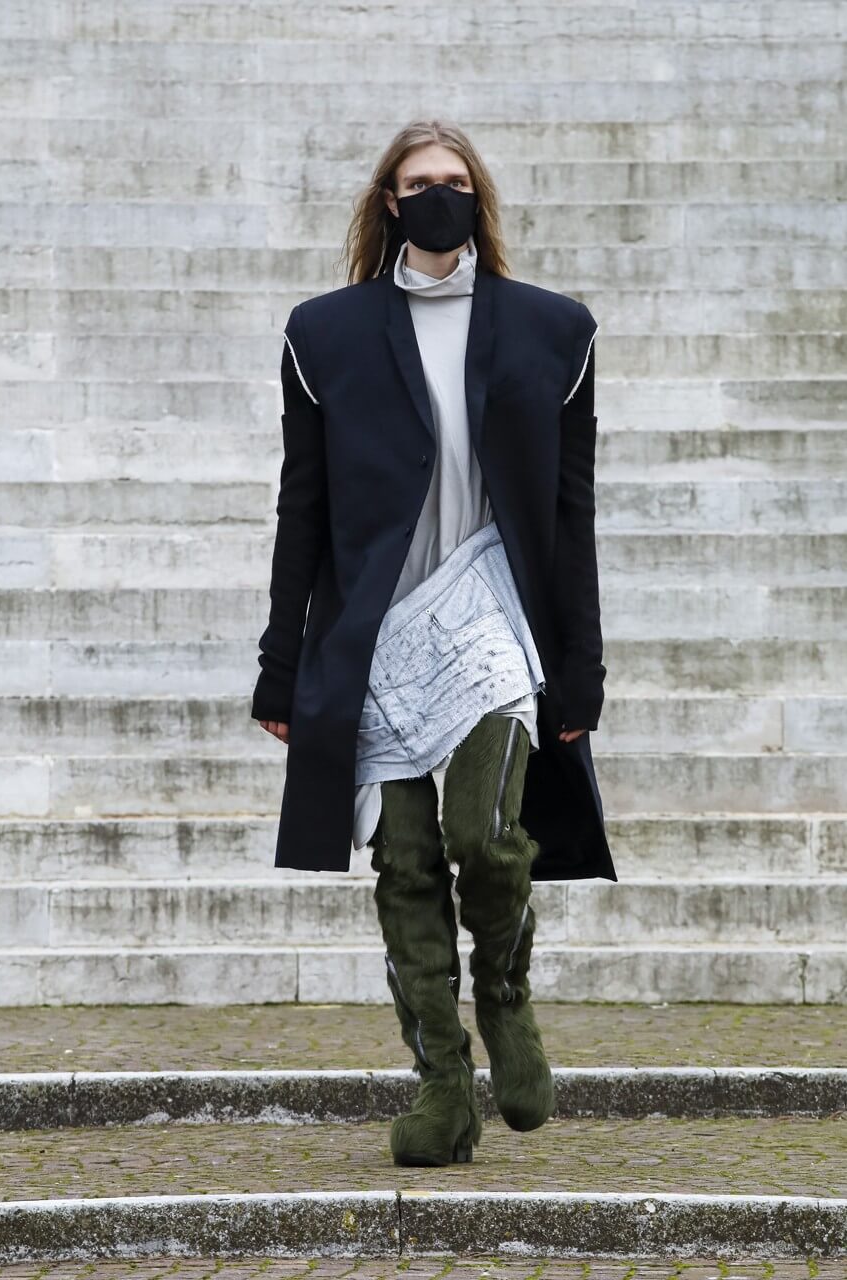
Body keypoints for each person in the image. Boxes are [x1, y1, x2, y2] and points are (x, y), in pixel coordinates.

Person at [253, 119, 615, 1167]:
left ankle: (504, 994)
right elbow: (302, 506)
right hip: (378, 623)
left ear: (477, 197)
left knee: (484, 834)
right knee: (404, 860)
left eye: (454, 180)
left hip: (492, 607)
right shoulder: (325, 334)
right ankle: (443, 1083)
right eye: (419, 182)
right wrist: (283, 662)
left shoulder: (554, 330)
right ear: (389, 202)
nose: (438, 195)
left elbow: (571, 510)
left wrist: (581, 663)